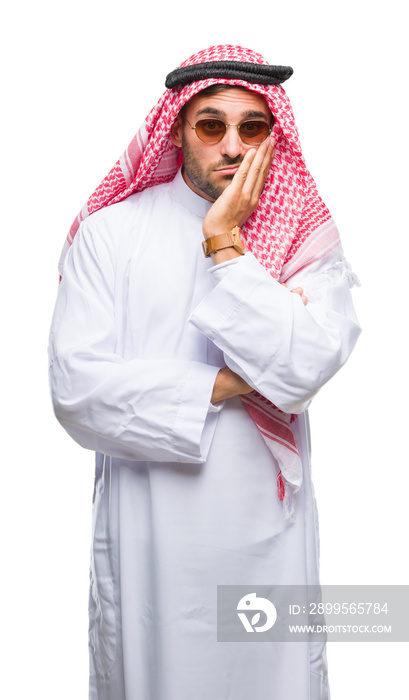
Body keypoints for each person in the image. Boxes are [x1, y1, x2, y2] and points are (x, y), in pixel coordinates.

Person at [48, 45, 361, 700]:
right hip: (152, 528)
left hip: (266, 531)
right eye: (210, 125)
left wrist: (224, 241)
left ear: (274, 134)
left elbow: (301, 372)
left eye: (252, 127)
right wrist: (225, 384)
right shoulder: (112, 233)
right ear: (176, 130)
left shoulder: (302, 237)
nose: (232, 145)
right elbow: (77, 390)